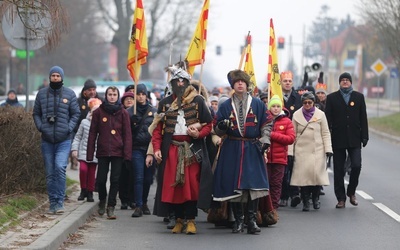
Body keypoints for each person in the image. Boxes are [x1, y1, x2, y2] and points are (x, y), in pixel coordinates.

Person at [151, 65, 213, 234]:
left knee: (191, 186)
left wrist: (198, 134)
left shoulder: (198, 101)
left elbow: (209, 124)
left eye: (182, 81)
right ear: (172, 83)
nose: (179, 83)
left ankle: (191, 220)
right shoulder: (165, 103)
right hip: (171, 150)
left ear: (187, 83)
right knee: (174, 187)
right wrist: (156, 148)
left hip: (192, 150)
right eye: (176, 81)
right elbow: (157, 130)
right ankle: (178, 219)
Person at [213, 69, 271, 235]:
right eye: (237, 82)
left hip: (253, 147)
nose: (240, 84)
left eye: (243, 82)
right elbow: (216, 130)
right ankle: (238, 221)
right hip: (232, 147)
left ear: (247, 85)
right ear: (233, 85)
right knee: (235, 186)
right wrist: (221, 128)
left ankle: (251, 220)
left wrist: (265, 139)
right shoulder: (225, 106)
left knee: (253, 186)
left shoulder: (258, 104)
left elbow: (267, 124)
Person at [32, 66, 80, 214]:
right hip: (46, 139)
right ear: (49, 77)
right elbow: (36, 113)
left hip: (63, 139)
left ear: (62, 78)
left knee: (60, 167)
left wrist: (68, 127)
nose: (55, 78)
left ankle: (59, 201)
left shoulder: (69, 94)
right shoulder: (41, 94)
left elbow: (76, 114)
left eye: (58, 76)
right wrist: (41, 127)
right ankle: (52, 202)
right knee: (50, 172)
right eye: (53, 75)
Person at [86, 86, 132, 219]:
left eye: (114, 94)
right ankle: (102, 200)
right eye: (110, 94)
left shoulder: (123, 113)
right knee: (101, 180)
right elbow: (92, 133)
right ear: (106, 96)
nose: (112, 97)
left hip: (118, 151)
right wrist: (90, 152)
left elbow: (127, 135)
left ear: (118, 97)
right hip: (103, 150)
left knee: (115, 180)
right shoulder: (99, 112)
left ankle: (111, 206)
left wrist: (127, 154)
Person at [325, 72, 369, 209]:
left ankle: (351, 192)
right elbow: (327, 120)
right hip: (337, 138)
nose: (345, 82)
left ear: (351, 82)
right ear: (339, 82)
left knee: (356, 165)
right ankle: (341, 198)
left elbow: (363, 118)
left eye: (347, 80)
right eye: (342, 80)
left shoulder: (359, 97)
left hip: (355, 138)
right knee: (338, 170)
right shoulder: (332, 98)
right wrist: (327, 138)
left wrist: (365, 136)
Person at [289, 92, 333, 211]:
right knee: (303, 178)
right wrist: (290, 152)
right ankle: (306, 201)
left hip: (318, 150)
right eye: (305, 103)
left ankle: (316, 198)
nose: (307, 104)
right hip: (301, 150)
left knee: (317, 177)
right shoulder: (296, 115)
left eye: (310, 102)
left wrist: (328, 149)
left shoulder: (321, 115)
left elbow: (325, 132)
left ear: (314, 103)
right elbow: (292, 134)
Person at [260, 95, 295, 221]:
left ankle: (273, 208)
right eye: (273, 106)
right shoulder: (264, 120)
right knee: (265, 184)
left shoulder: (287, 121)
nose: (275, 109)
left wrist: (273, 135)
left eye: (278, 106)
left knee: (276, 184)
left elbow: (290, 139)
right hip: (265, 158)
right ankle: (264, 208)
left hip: (280, 159)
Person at [127, 83, 157, 218]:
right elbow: (126, 133)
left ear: (146, 95)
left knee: (148, 178)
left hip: (150, 148)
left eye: (142, 94)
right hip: (136, 148)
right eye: (138, 94)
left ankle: (144, 202)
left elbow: (157, 131)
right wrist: (131, 124)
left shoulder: (154, 111)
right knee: (138, 177)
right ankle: (138, 205)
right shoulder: (129, 112)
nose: (140, 97)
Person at [71, 98, 102, 202]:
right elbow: (78, 137)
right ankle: (83, 189)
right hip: (83, 151)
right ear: (90, 112)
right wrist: (74, 149)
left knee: (92, 173)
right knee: (83, 170)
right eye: (93, 112)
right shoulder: (84, 122)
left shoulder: (102, 124)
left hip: (95, 153)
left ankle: (90, 192)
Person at [279, 71, 302, 208]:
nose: (287, 83)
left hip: (295, 136)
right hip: (280, 136)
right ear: (280, 82)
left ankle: (295, 193)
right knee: (283, 167)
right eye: (285, 81)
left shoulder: (298, 98)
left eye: (290, 81)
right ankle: (283, 195)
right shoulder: (276, 96)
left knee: (294, 165)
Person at [118, 91, 136, 210]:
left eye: (131, 98)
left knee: (133, 175)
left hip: (136, 147)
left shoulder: (138, 113)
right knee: (122, 175)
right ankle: (123, 199)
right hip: (121, 148)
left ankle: (132, 199)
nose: (129, 100)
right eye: (127, 99)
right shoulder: (119, 113)